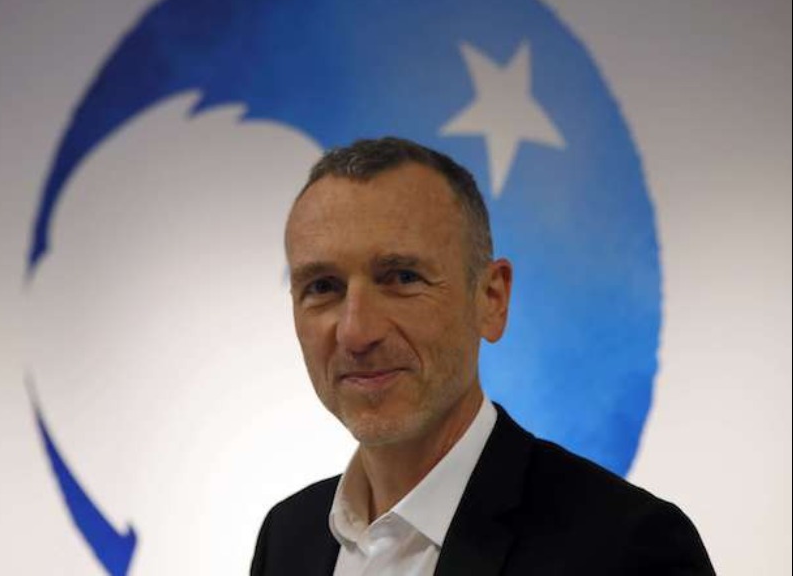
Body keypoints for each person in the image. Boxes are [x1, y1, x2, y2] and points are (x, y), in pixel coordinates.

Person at [251, 137, 714, 575]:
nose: (356, 332)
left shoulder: (626, 548)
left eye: (402, 278)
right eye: (323, 287)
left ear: (492, 299)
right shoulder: (288, 537)